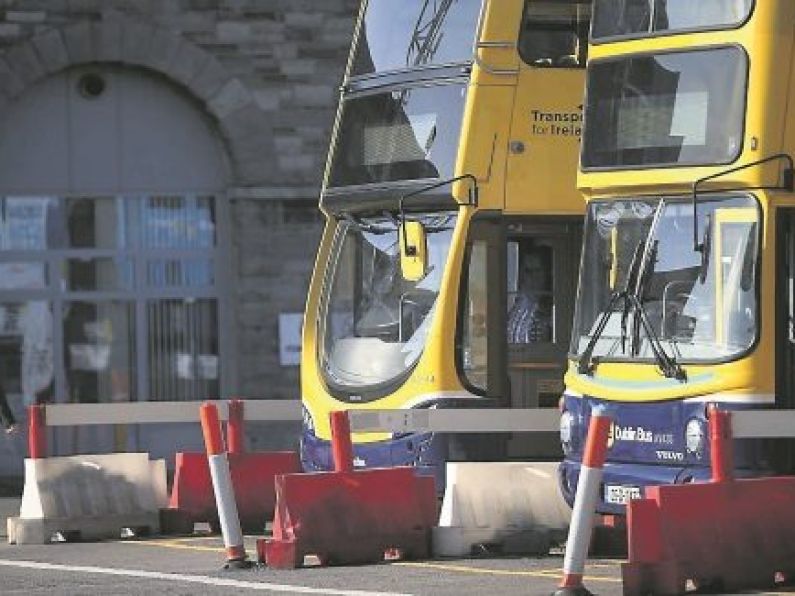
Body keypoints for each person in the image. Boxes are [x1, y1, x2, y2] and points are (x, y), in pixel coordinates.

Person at [507, 250, 552, 344]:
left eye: (537, 271)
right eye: (528, 271)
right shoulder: (515, 303)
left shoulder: (552, 308)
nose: (533, 277)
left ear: (546, 273)